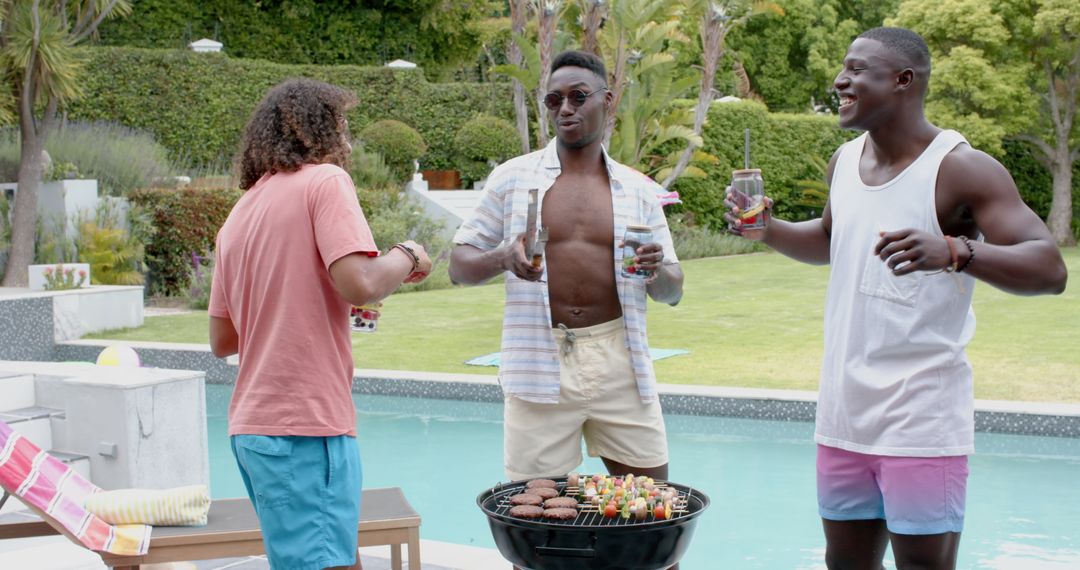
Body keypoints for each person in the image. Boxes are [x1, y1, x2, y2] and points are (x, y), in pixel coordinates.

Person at [726, 28, 1067, 570]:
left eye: (858, 69)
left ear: (904, 80)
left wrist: (957, 250)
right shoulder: (844, 160)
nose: (841, 80)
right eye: (844, 68)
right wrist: (768, 229)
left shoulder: (960, 167)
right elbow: (832, 242)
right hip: (844, 413)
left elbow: (1049, 267)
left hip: (921, 419)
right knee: (845, 564)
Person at [208, 78, 432, 570]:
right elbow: (361, 283)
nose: (348, 140)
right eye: (343, 125)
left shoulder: (240, 214)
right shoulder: (324, 182)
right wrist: (408, 254)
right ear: (319, 130)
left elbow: (222, 339)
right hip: (304, 425)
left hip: (253, 429)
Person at [449, 50, 684, 485]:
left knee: (654, 517)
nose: (566, 109)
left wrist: (658, 271)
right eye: (554, 100)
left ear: (608, 100)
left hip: (621, 363)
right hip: (538, 359)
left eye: (578, 96)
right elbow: (458, 266)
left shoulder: (638, 191)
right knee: (530, 522)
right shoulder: (513, 178)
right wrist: (502, 256)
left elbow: (673, 291)